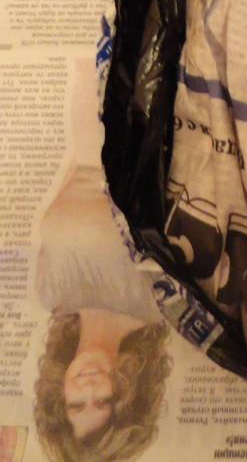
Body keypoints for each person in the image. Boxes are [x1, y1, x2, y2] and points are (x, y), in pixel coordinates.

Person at [32, 57, 172, 462]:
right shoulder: (158, 304)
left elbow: (70, 173)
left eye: (77, 404)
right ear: (129, 395)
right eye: (103, 402)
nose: (89, 387)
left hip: (85, 86)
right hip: (145, 97)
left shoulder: (50, 293)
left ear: (59, 393)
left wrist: (80, 78)